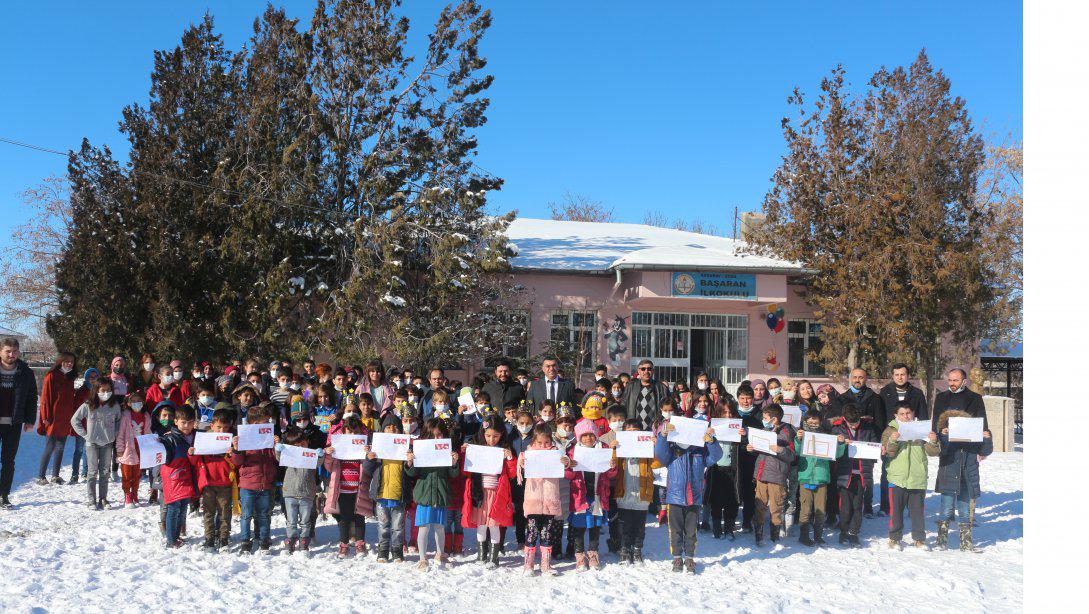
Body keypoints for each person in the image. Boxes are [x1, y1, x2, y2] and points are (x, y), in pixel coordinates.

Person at [655, 410, 721, 573]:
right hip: (674, 498)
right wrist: (663, 435)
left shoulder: (700, 451)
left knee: (691, 531)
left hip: (694, 497)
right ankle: (677, 558)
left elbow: (717, 456)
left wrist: (711, 441)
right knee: (675, 530)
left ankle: (690, 558)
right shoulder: (671, 451)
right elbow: (659, 454)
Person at [881, 402, 941, 550]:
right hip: (897, 477)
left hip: (917, 476)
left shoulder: (922, 428)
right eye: (902, 414)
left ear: (913, 414)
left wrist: (933, 441)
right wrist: (893, 440)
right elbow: (887, 453)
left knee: (917, 512)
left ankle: (919, 539)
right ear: (896, 415)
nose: (905, 416)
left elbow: (933, 452)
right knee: (896, 512)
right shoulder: (890, 430)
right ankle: (894, 539)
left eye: (908, 413)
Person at [461, 416, 517, 569]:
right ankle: (481, 554)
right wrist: (465, 455)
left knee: (494, 525)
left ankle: (494, 556)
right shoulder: (477, 448)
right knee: (481, 525)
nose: (491, 439)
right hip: (480, 493)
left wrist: (510, 458)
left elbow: (512, 473)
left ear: (502, 435)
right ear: (483, 433)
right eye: (488, 435)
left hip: (496, 494)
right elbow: (466, 472)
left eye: (496, 436)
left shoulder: (504, 450)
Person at [405, 418, 461, 570]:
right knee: (423, 527)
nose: (437, 438)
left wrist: (454, 462)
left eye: (440, 435)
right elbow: (412, 473)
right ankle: (423, 558)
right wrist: (410, 462)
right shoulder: (420, 449)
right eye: (433, 435)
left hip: (441, 493)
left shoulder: (447, 450)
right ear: (427, 435)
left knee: (440, 527)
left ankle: (440, 553)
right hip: (424, 494)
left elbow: (453, 474)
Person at [935, 409, 993, 552]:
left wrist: (987, 439)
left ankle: (966, 542)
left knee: (965, 511)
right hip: (948, 476)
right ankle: (941, 541)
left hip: (967, 477)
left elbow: (985, 452)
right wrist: (943, 436)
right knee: (946, 509)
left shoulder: (973, 437)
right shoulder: (944, 435)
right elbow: (941, 451)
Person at [565, 419, 618, 572]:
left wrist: (612, 466)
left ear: (596, 435)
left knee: (595, 526)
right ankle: (580, 555)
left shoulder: (603, 449)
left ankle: (593, 554)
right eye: (584, 435)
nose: (588, 438)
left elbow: (610, 474)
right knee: (579, 527)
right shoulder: (573, 452)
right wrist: (569, 466)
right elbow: (568, 476)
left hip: (597, 496)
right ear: (579, 437)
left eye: (591, 435)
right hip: (580, 497)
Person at [517, 421, 569, 576]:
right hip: (533, 500)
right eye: (539, 442)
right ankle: (529, 565)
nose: (544, 445)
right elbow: (520, 467)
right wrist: (522, 460)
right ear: (533, 441)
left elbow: (565, 465)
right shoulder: (528, 454)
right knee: (532, 532)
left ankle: (546, 564)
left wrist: (565, 462)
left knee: (547, 533)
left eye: (547, 442)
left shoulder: (556, 453)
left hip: (550, 501)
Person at [876, 363, 928, 514]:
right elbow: (880, 417)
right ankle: (886, 506)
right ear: (892, 376)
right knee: (888, 472)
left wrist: (923, 436)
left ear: (908, 375)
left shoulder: (917, 393)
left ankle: (911, 507)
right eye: (897, 374)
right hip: (892, 438)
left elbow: (923, 416)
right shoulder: (884, 392)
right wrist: (883, 441)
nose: (900, 377)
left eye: (903, 374)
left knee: (913, 471)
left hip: (913, 440)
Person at [323, 415, 375, 558]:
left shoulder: (364, 447)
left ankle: (360, 544)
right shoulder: (337, 447)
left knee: (359, 517)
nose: (351, 435)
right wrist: (328, 455)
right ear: (343, 432)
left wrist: (368, 455)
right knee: (344, 518)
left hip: (359, 489)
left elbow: (369, 467)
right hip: (343, 489)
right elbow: (328, 467)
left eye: (355, 432)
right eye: (348, 432)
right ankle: (344, 544)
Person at [744, 403, 796, 546]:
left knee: (776, 506)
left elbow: (792, 455)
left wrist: (780, 449)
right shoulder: (763, 430)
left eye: (765, 417)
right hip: (761, 473)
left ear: (774, 419)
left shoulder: (787, 432)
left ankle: (775, 535)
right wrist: (751, 448)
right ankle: (758, 534)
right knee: (759, 505)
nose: (763, 419)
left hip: (777, 476)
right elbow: (759, 449)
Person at [230, 405, 279, 554]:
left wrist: (278, 447)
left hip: (265, 484)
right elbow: (237, 462)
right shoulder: (244, 439)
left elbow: (277, 460)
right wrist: (236, 449)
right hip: (248, 485)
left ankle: (264, 541)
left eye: (265, 422)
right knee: (246, 515)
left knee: (264, 515)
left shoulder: (269, 439)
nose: (262, 426)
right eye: (258, 424)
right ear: (251, 424)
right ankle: (245, 542)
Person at [837, 368, 886, 517]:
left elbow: (880, 422)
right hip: (848, 441)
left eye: (861, 377)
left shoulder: (875, 398)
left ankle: (868, 507)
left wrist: (876, 444)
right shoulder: (843, 398)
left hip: (867, 441)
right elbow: (840, 420)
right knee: (847, 476)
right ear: (850, 379)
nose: (858, 380)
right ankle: (846, 505)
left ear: (866, 379)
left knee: (867, 477)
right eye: (855, 377)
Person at [794, 409, 845, 546]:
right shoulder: (801, 435)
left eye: (815, 419)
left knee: (820, 510)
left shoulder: (826, 436)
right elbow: (797, 451)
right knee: (805, 509)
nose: (812, 421)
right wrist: (798, 440)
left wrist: (840, 443)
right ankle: (803, 536)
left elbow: (837, 454)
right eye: (809, 419)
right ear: (805, 421)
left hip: (821, 477)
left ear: (820, 421)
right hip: (805, 477)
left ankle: (818, 536)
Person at [829, 403, 878, 547]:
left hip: (862, 472)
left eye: (857, 422)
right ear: (844, 418)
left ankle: (853, 532)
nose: (854, 425)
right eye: (851, 423)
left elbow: (875, 445)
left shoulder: (868, 428)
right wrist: (840, 443)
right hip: (845, 473)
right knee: (845, 506)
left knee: (858, 505)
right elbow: (831, 452)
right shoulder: (837, 429)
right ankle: (843, 531)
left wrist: (872, 448)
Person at [70, 378, 122, 509]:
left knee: (105, 472)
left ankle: (103, 499)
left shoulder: (114, 406)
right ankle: (91, 500)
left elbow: (119, 421)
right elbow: (74, 420)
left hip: (107, 443)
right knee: (92, 472)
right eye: (103, 390)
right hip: (92, 444)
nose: (106, 393)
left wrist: (114, 433)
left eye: (109, 390)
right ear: (96, 390)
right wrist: (85, 435)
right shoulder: (88, 405)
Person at [364, 415, 409, 563]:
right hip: (381, 494)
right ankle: (382, 551)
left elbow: (411, 472)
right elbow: (368, 470)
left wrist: (410, 462)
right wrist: (369, 458)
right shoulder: (378, 448)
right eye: (388, 427)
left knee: (398, 527)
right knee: (383, 526)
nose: (392, 429)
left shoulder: (405, 448)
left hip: (398, 494)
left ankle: (397, 552)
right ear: (383, 430)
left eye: (395, 427)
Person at [191, 411, 236, 550]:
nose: (222, 430)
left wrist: (233, 453)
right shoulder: (204, 439)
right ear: (212, 425)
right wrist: (191, 453)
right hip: (208, 483)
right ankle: (209, 538)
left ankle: (223, 538)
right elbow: (195, 461)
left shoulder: (232, 440)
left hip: (225, 483)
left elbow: (236, 462)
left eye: (225, 428)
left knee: (224, 512)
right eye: (218, 427)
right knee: (208, 513)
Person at [0, 338, 37, 507]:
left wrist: (30, 419)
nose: (11, 354)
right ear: (1, 351)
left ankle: (4, 495)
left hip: (13, 424)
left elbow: (31, 397)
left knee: (8, 461)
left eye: (14, 351)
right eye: (8, 351)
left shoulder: (26, 372)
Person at [614, 418, 655, 564]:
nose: (631, 434)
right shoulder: (620, 448)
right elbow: (612, 466)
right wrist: (614, 449)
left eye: (635, 432)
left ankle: (637, 549)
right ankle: (624, 549)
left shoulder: (645, 448)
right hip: (624, 493)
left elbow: (657, 463)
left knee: (639, 526)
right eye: (628, 432)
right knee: (624, 524)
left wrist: (655, 446)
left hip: (642, 493)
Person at [277, 426, 321, 555]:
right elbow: (279, 458)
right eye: (297, 445)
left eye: (303, 444)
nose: (301, 448)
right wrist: (278, 450)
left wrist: (321, 455)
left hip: (307, 493)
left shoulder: (310, 455)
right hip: (290, 492)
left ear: (307, 442)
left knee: (305, 520)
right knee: (291, 520)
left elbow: (318, 463)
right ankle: (290, 540)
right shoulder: (289, 456)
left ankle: (304, 542)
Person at [158, 404, 198, 548]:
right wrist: (160, 442)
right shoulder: (170, 438)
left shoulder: (195, 436)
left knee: (182, 508)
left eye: (190, 422)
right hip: (174, 478)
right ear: (176, 421)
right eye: (183, 422)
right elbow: (164, 454)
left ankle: (176, 536)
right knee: (173, 508)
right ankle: (170, 540)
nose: (187, 426)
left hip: (187, 478)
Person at [37, 352, 78, 485]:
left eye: (72, 361)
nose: (70, 364)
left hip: (65, 418)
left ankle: (55, 475)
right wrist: (46, 417)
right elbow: (45, 398)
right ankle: (41, 476)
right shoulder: (51, 376)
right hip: (53, 418)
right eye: (67, 361)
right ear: (60, 361)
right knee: (50, 447)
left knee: (60, 447)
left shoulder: (70, 378)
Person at [705, 401, 741, 541]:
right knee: (716, 500)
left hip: (733, 468)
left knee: (732, 500)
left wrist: (742, 436)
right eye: (724, 412)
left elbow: (743, 446)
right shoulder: (712, 426)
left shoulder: (738, 426)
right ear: (719, 413)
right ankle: (716, 528)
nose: (728, 415)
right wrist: (709, 435)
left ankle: (729, 528)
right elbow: (704, 445)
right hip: (716, 468)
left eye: (730, 412)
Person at [115, 390, 152, 507]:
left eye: (139, 401)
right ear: (129, 403)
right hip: (127, 449)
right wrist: (119, 449)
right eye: (134, 401)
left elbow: (148, 433)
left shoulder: (146, 416)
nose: (137, 403)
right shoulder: (125, 416)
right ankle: (127, 494)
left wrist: (149, 447)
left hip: (140, 449)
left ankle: (134, 493)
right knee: (126, 474)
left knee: (137, 474)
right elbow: (120, 434)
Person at [735, 385, 762, 533]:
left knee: (750, 491)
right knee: (735, 489)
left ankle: (747, 520)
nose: (746, 401)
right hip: (736, 455)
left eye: (749, 398)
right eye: (743, 398)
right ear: (738, 398)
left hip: (752, 457)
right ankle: (732, 519)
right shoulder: (733, 413)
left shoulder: (759, 414)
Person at [618, 359, 672, 430]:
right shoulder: (631, 386)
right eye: (643, 369)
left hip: (655, 430)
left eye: (649, 369)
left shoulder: (661, 387)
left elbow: (669, 408)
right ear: (638, 371)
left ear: (653, 371)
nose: (646, 371)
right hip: (634, 429)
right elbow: (623, 406)